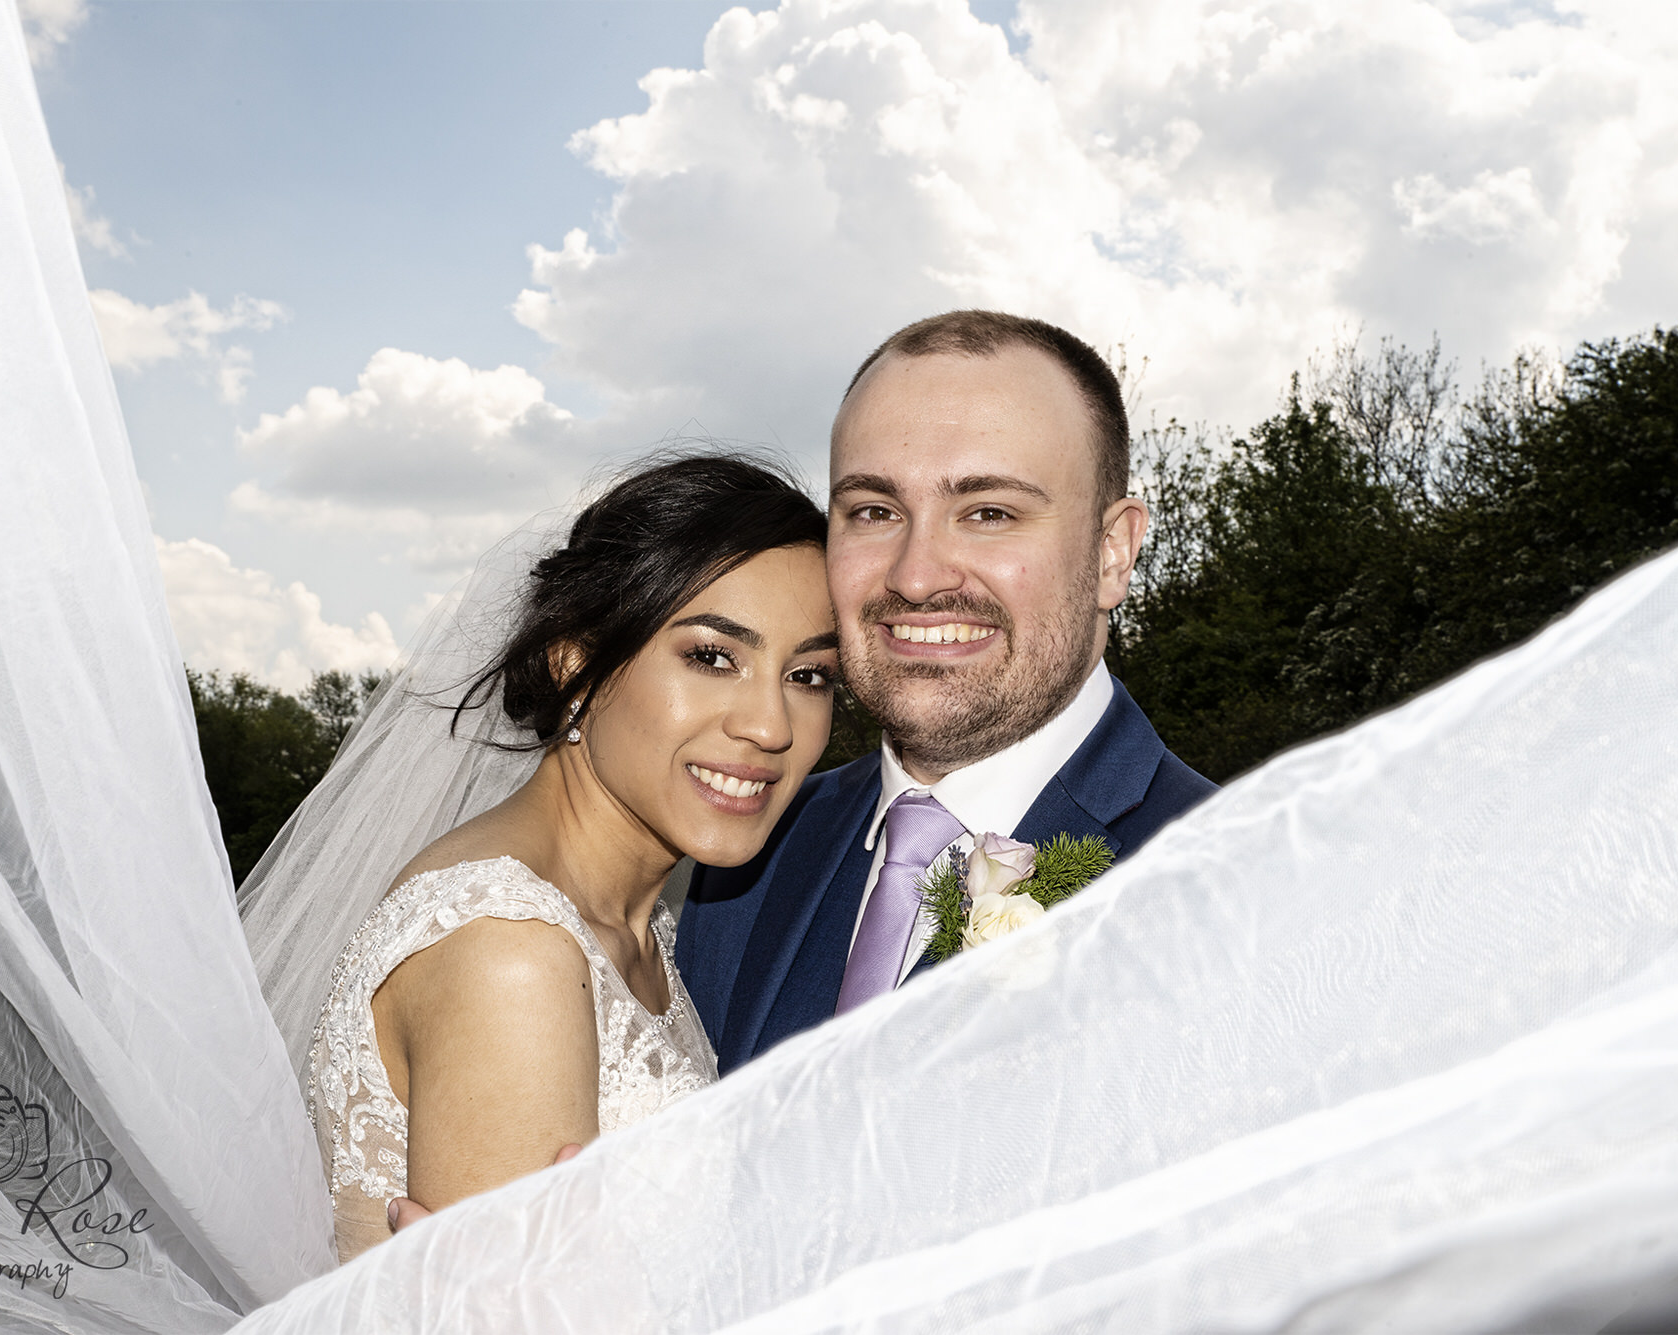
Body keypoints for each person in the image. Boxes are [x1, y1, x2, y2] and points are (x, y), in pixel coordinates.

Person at [308, 454, 838, 1260]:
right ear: (577, 661)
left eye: (808, 674)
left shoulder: (631, 928)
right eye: (712, 656)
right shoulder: (510, 951)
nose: (771, 724)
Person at [677, 311, 1217, 1072]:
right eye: (874, 511)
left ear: (1112, 551)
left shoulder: (1234, 888)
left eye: (988, 512)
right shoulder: (748, 846)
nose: (916, 574)